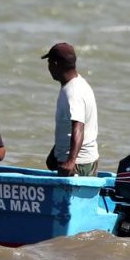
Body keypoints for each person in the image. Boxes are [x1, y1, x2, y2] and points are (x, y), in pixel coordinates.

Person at [41, 41, 99, 176]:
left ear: (55, 64)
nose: (48, 67)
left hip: (78, 164)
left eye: (49, 62)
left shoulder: (72, 93)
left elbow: (78, 126)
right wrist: (54, 153)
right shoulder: (78, 83)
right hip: (83, 160)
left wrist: (71, 161)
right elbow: (67, 126)